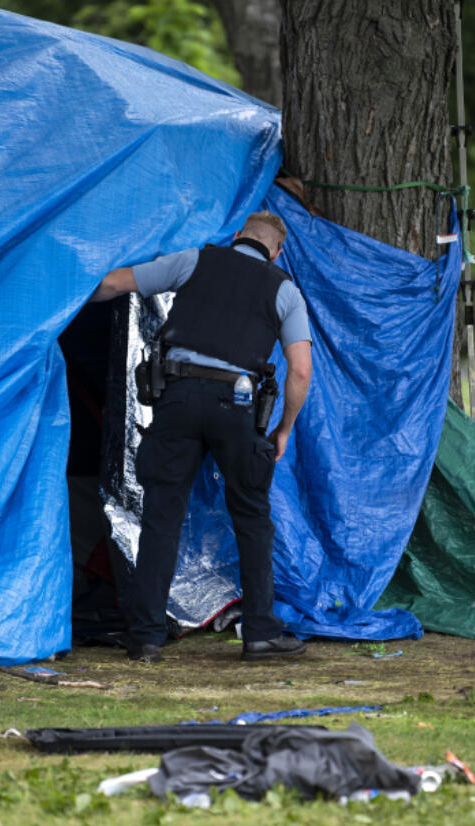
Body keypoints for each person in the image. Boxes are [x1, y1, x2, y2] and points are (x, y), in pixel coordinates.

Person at [89, 211, 312, 662]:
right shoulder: (284, 290)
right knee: (252, 518)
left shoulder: (194, 261)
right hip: (239, 406)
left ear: (236, 238)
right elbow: (301, 371)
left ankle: (147, 638)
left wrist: (54, 301)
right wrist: (283, 428)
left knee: (162, 517)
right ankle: (261, 634)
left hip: (179, 398)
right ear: (277, 251)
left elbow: (114, 283)